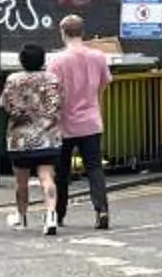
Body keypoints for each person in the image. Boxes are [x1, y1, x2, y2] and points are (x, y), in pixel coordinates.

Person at [48, 15, 114, 233]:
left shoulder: (57, 61)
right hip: (91, 121)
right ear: (82, 31)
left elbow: (52, 91)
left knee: (62, 172)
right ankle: (101, 210)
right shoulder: (98, 56)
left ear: (63, 32)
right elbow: (105, 82)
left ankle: (59, 213)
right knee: (94, 168)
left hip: (65, 123)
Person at [0, 43, 64, 231]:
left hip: (20, 141)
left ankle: (21, 216)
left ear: (22, 60)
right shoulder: (52, 79)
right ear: (43, 60)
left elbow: (4, 104)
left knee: (22, 182)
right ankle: (51, 215)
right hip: (48, 138)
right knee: (47, 178)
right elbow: (59, 104)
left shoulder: (13, 80)